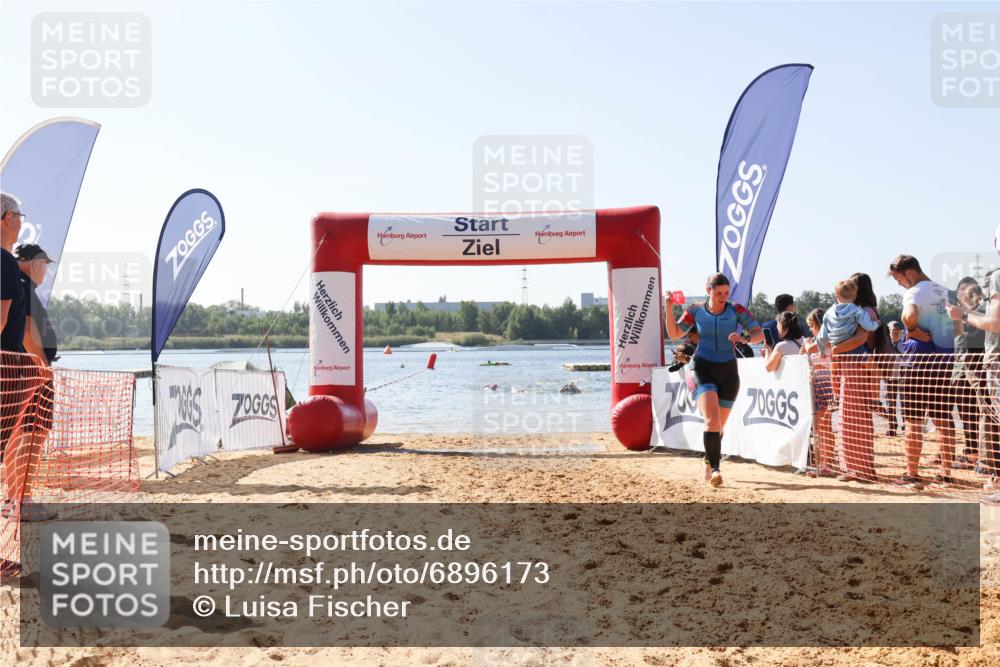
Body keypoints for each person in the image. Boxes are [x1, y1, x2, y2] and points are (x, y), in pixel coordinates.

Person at [666, 273, 764, 487]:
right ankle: (717, 470)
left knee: (718, 427)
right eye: (719, 293)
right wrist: (668, 308)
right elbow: (674, 334)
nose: (723, 297)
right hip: (703, 367)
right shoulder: (695, 311)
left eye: (726, 293)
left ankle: (709, 462)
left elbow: (759, 334)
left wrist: (744, 338)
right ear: (708, 290)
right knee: (712, 420)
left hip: (729, 372)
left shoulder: (736, 310)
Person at [890, 254, 960, 488]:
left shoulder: (915, 291)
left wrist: (912, 328)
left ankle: (912, 473)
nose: (900, 284)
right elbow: (958, 326)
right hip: (944, 360)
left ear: (910, 272)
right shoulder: (945, 291)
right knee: (943, 419)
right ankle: (946, 474)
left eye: (899, 279)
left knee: (913, 420)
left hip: (918, 362)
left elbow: (908, 315)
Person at [952, 279, 986, 470]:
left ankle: (975, 454)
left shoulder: (976, 313)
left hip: (973, 370)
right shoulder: (968, 315)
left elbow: (972, 342)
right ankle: (973, 451)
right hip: (966, 369)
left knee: (974, 412)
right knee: (968, 413)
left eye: (961, 294)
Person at [802, 308, 836, 476]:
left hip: (825, 386)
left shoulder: (827, 340)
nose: (810, 328)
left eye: (811, 325)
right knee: (818, 426)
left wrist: (807, 347)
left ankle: (826, 463)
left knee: (824, 425)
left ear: (819, 325)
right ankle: (822, 461)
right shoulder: (815, 341)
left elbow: (812, 351)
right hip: (814, 387)